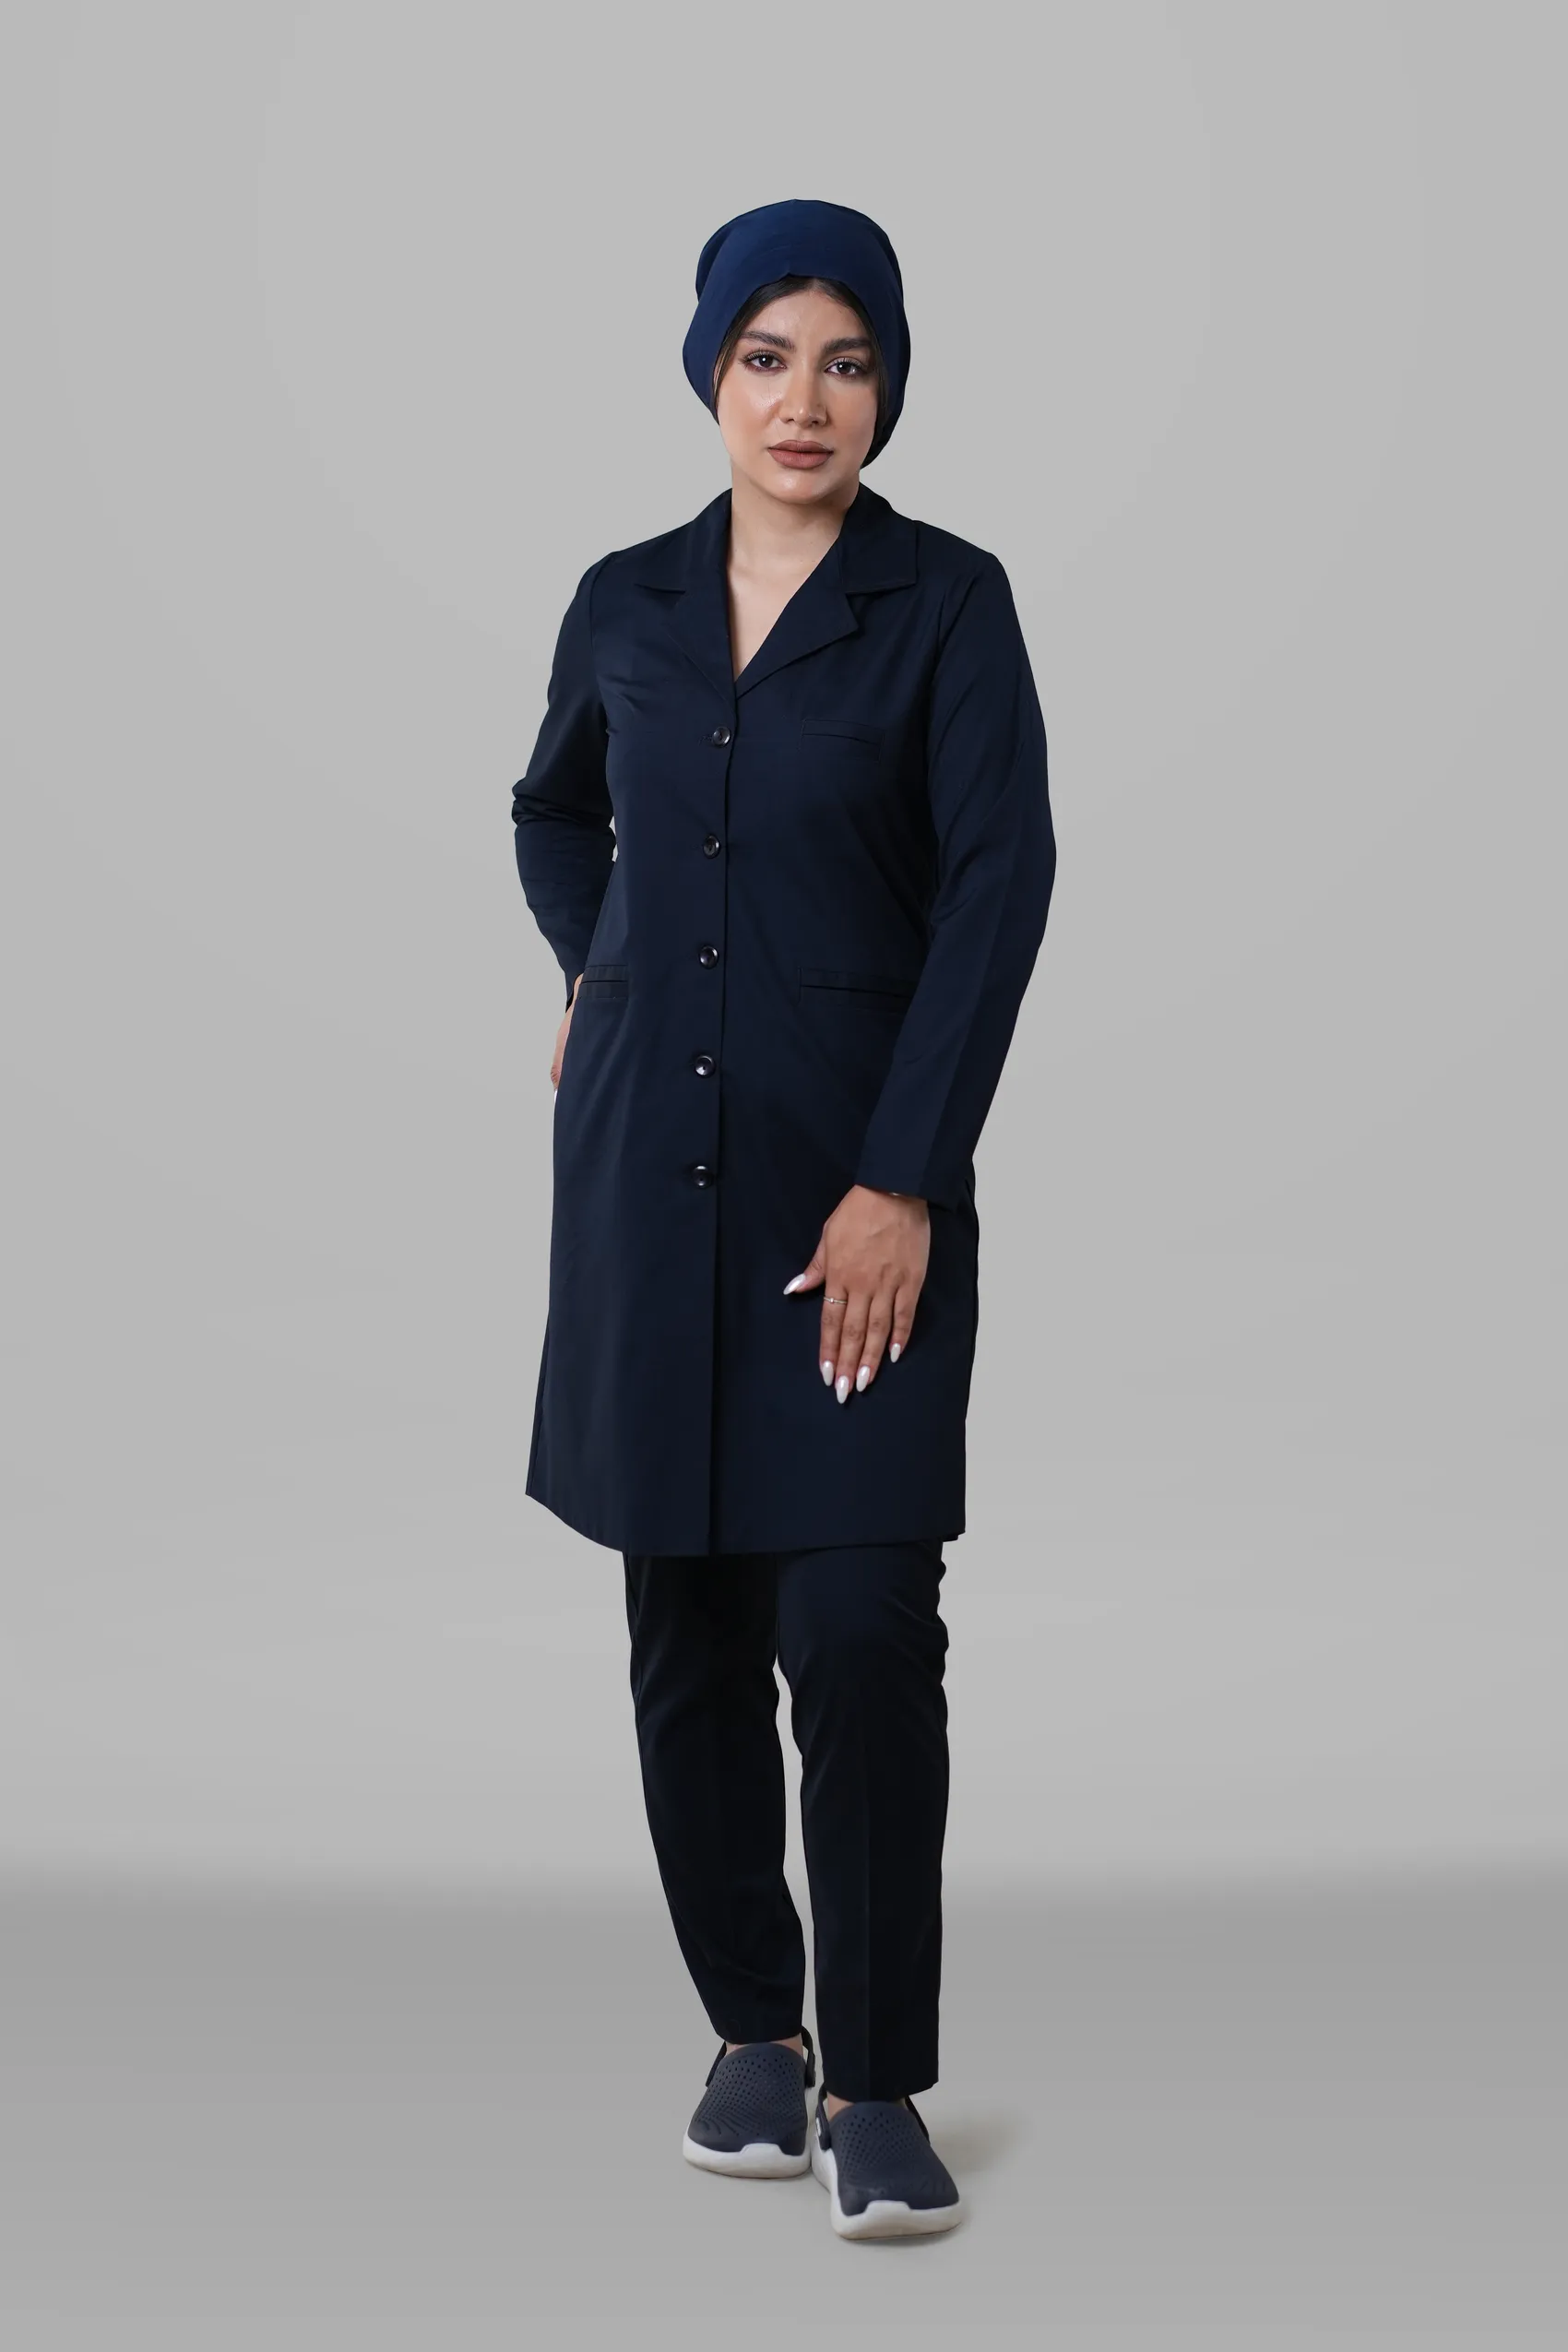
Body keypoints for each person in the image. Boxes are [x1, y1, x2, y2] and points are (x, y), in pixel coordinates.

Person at [511, 198, 1055, 2240]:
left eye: (844, 360)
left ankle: (878, 2078)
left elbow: (998, 888)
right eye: (766, 358)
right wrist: (602, 965)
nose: (803, 400)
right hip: (649, 1189)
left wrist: (905, 1174)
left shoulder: (946, 604)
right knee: (686, 1632)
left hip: (855, 1195)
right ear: (711, 376)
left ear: (887, 385)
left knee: (858, 1627)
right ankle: (756, 2030)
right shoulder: (625, 601)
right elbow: (554, 807)